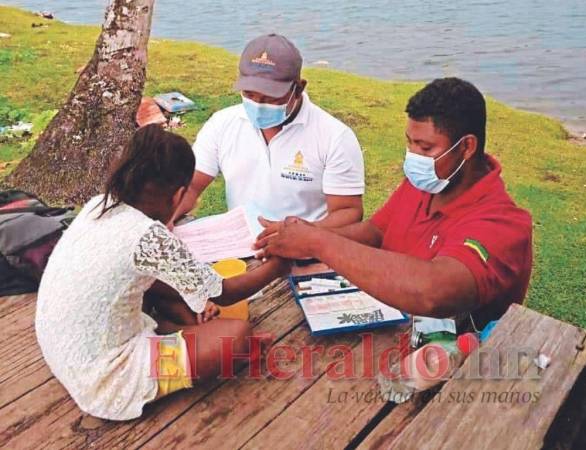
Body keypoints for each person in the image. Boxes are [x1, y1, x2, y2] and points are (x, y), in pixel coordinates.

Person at [35, 125, 289, 421]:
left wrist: (196, 296)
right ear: (180, 194)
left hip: (65, 352)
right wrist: (279, 264)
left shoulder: (99, 205)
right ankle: (180, 336)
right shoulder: (148, 236)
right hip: (107, 383)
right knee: (235, 337)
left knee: (174, 294)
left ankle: (178, 328)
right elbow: (226, 292)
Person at [255, 77, 533, 328]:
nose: (412, 156)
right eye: (409, 143)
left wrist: (317, 242)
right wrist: (306, 235)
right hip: (387, 325)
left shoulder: (504, 224)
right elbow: (377, 231)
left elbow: (434, 294)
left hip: (454, 360)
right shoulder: (426, 182)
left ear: (466, 147)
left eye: (424, 148)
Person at [171, 34, 365, 228]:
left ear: (298, 89)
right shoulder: (222, 124)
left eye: (271, 98)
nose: (258, 104)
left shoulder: (334, 137)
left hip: (306, 249)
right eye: (249, 94)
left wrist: (300, 238)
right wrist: (165, 220)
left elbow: (348, 212)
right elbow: (191, 187)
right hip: (241, 243)